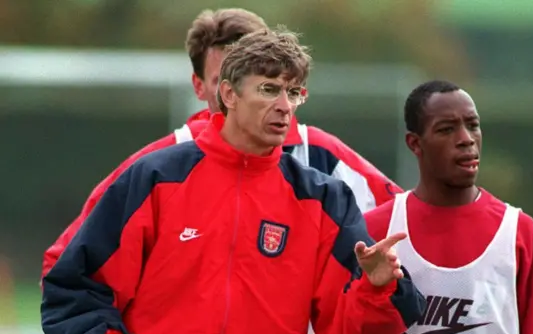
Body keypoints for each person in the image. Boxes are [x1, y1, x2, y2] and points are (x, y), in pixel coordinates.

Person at [41, 27, 425, 334]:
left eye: (293, 92)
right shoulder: (157, 178)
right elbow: (77, 285)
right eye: (269, 89)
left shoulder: (323, 199)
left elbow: (350, 333)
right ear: (228, 93)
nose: (284, 106)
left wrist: (379, 287)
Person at [41, 7, 402, 283]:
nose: (238, 94)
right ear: (200, 86)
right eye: (224, 82)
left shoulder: (321, 158)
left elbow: (408, 232)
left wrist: (328, 332)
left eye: (261, 81)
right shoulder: (154, 169)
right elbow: (66, 266)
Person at [322, 80, 533, 334]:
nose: (466, 138)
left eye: (472, 125)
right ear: (415, 143)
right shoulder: (375, 232)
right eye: (446, 129)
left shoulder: (519, 233)